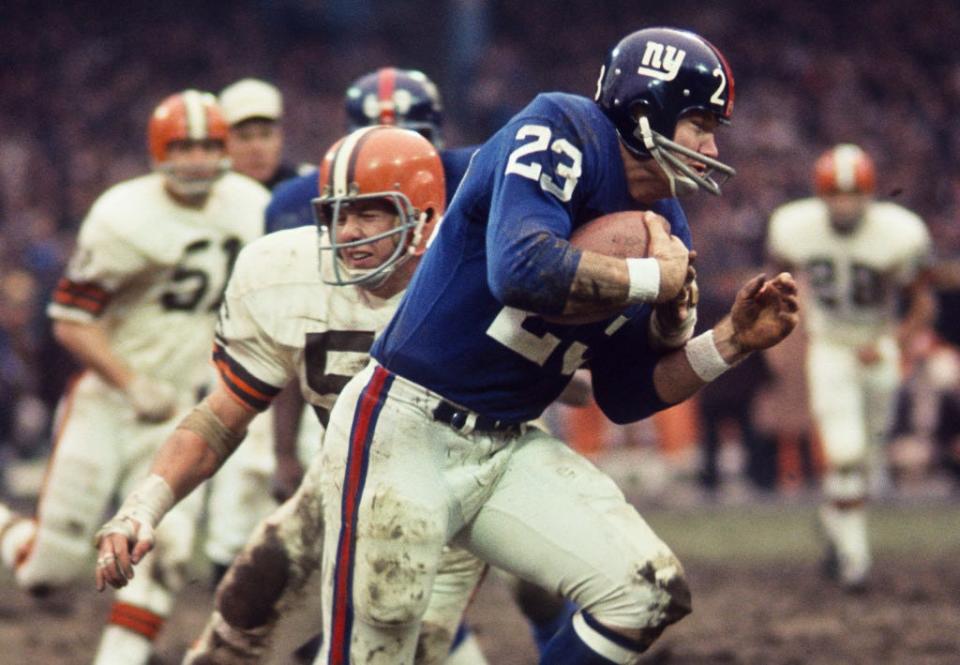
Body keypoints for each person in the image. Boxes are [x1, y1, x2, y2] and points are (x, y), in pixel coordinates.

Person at [312, 26, 798, 665]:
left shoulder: (664, 221)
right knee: (377, 646)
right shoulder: (561, 128)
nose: (712, 145)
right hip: (405, 429)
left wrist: (730, 341)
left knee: (645, 594)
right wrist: (650, 279)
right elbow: (519, 268)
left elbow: (623, 396)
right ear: (646, 111)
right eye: (700, 122)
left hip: (507, 444)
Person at [93, 126, 487, 665]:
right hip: (344, 483)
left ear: (422, 217)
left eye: (369, 214)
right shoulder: (286, 274)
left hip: (456, 499)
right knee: (236, 627)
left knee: (383, 643)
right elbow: (221, 419)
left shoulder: (481, 277)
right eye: (337, 215)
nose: (347, 233)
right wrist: (143, 507)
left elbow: (577, 385)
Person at [0, 89, 268, 665]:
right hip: (107, 402)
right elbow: (70, 322)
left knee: (164, 549)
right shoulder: (122, 214)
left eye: (208, 146)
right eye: (183, 146)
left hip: (183, 406)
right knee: (47, 574)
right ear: (157, 151)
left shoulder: (250, 204)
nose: (197, 159)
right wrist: (129, 382)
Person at [767, 143, 933, 591]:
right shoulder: (794, 226)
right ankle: (854, 559)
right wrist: (781, 329)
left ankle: (833, 519)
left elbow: (921, 302)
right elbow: (777, 277)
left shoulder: (900, 233)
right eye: (835, 193)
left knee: (868, 461)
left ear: (870, 193)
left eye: (852, 193)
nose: (844, 203)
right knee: (844, 452)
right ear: (820, 195)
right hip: (830, 347)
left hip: (878, 346)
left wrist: (891, 342)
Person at [206, 76, 314, 585]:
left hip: (307, 358)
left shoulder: (312, 191)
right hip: (230, 357)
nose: (255, 146)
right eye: (241, 134)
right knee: (229, 527)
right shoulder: (202, 198)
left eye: (264, 133)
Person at [219, 77, 311, 189]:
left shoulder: (308, 184)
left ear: (280, 137)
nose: (256, 148)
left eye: (265, 135)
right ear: (224, 144)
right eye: (244, 137)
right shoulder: (210, 195)